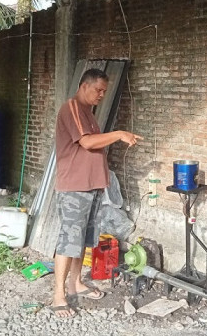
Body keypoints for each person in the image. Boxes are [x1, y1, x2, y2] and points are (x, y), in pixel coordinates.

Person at [51, 68, 142, 317]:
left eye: (104, 90)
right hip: (74, 187)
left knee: (84, 239)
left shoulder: (88, 113)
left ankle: (76, 282)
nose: (102, 94)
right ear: (83, 86)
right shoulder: (71, 108)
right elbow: (88, 142)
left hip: (91, 186)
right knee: (69, 240)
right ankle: (58, 295)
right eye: (98, 89)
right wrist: (119, 134)